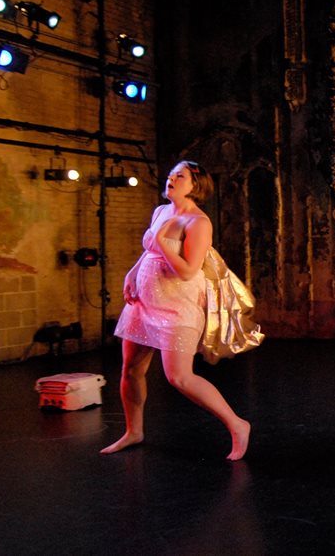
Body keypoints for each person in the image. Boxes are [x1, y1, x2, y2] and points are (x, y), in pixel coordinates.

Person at [101, 161, 251, 460]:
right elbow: (149, 251)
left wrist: (163, 245)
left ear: (195, 185)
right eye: (170, 174)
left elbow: (187, 271)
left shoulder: (198, 222)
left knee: (179, 377)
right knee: (131, 370)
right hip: (145, 301)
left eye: (178, 176)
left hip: (178, 304)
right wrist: (133, 273)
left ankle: (237, 424)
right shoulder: (162, 212)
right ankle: (134, 431)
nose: (170, 178)